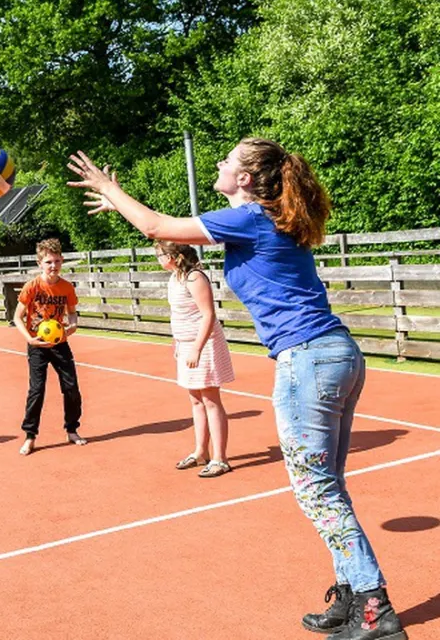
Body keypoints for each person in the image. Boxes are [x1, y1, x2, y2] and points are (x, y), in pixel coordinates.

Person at [68, 139, 406, 640]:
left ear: (245, 179)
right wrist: (117, 199)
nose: (220, 165)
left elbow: (158, 228)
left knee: (318, 491)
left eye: (228, 160)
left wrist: (111, 189)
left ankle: (374, 607)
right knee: (326, 487)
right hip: (335, 354)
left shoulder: (251, 218)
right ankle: (353, 596)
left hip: (308, 360)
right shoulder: (271, 220)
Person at [155, 241, 235, 477]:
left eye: (161, 255)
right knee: (196, 400)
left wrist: (197, 349)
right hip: (187, 344)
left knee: (210, 399)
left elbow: (208, 315)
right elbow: (179, 315)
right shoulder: (175, 278)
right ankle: (201, 452)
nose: (158, 259)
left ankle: (220, 458)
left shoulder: (194, 278)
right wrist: (178, 342)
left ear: (175, 256)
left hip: (205, 344)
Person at [13, 238, 86, 456]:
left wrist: (72, 325)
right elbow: (17, 317)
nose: (53, 266)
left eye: (56, 261)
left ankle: (72, 430)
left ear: (62, 261)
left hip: (60, 343)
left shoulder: (66, 287)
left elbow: (72, 312)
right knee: (37, 390)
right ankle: (30, 436)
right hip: (37, 345)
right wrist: (29, 339)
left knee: (71, 387)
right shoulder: (32, 287)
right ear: (40, 264)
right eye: (48, 262)